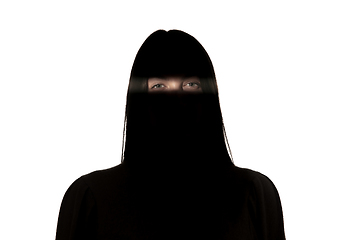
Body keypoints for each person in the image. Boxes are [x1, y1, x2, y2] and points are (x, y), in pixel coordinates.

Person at [55, 30, 286, 240]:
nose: (177, 102)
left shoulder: (254, 195)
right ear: (139, 101)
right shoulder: (89, 198)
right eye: (159, 86)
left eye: (190, 84)